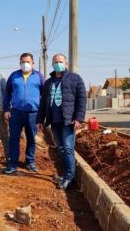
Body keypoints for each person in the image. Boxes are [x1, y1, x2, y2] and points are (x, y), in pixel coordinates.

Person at [36, 53, 86, 189]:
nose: (58, 64)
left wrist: (78, 118)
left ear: (66, 64)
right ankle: (65, 174)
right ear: (52, 64)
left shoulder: (75, 79)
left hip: (68, 120)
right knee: (61, 148)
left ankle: (69, 178)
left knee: (68, 148)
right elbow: (43, 103)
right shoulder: (48, 82)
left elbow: (82, 100)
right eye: (56, 62)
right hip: (54, 120)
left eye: (60, 61)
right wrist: (40, 120)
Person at [3, 53, 44, 174]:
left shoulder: (39, 76)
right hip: (16, 113)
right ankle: (13, 164)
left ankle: (30, 162)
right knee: (14, 138)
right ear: (20, 63)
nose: (25, 64)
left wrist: (42, 114)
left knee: (31, 138)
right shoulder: (14, 76)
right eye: (23, 62)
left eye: (28, 62)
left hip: (33, 113)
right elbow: (7, 93)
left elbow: (45, 95)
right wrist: (6, 109)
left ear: (33, 63)